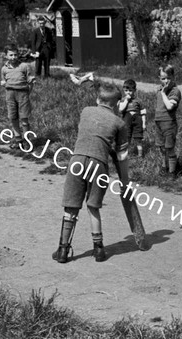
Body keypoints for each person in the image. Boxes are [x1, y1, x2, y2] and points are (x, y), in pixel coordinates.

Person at [52, 83, 129, 263]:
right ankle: (99, 250)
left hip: (77, 161)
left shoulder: (86, 111)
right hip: (98, 164)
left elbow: (93, 132)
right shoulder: (119, 122)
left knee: (71, 207)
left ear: (97, 99)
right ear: (117, 104)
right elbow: (122, 155)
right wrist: (124, 181)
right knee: (93, 206)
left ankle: (63, 250)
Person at [0, 43, 36, 149]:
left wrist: (28, 93)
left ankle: (26, 141)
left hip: (23, 94)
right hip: (10, 94)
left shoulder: (24, 66)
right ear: (6, 56)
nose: (13, 57)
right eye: (11, 55)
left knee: (24, 118)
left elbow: (31, 81)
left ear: (18, 55)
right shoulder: (4, 69)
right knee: (13, 117)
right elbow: (3, 80)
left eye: (15, 55)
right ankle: (18, 139)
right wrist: (3, 83)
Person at [155, 65, 182, 178]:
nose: (165, 81)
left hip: (169, 123)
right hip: (159, 122)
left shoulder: (174, 91)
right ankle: (164, 167)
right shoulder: (159, 89)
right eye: (162, 78)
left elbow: (170, 106)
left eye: (168, 78)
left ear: (173, 77)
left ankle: (172, 172)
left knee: (169, 148)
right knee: (161, 147)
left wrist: (163, 93)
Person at [118, 79, 147, 158]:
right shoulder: (123, 100)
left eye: (130, 90)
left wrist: (144, 123)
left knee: (138, 137)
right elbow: (121, 109)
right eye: (126, 90)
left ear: (135, 90)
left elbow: (143, 112)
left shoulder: (138, 100)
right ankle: (125, 154)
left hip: (138, 120)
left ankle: (140, 155)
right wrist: (126, 100)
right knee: (127, 137)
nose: (128, 92)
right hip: (127, 120)